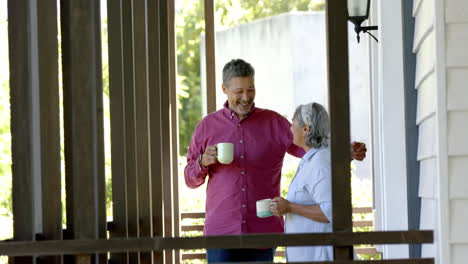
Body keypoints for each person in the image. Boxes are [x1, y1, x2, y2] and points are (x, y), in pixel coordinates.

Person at [184, 59, 366, 263]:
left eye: (250, 89)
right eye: (239, 91)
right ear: (224, 89)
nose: (246, 97)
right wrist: (202, 162)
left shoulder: (274, 123)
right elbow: (190, 180)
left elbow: (309, 147)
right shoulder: (207, 127)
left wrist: (344, 151)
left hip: (263, 232)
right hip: (221, 233)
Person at [271, 102, 333, 261]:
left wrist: (290, 207)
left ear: (306, 129)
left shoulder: (320, 163)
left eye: (293, 124)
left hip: (318, 257)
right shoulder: (310, 160)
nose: (290, 129)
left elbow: (330, 211)